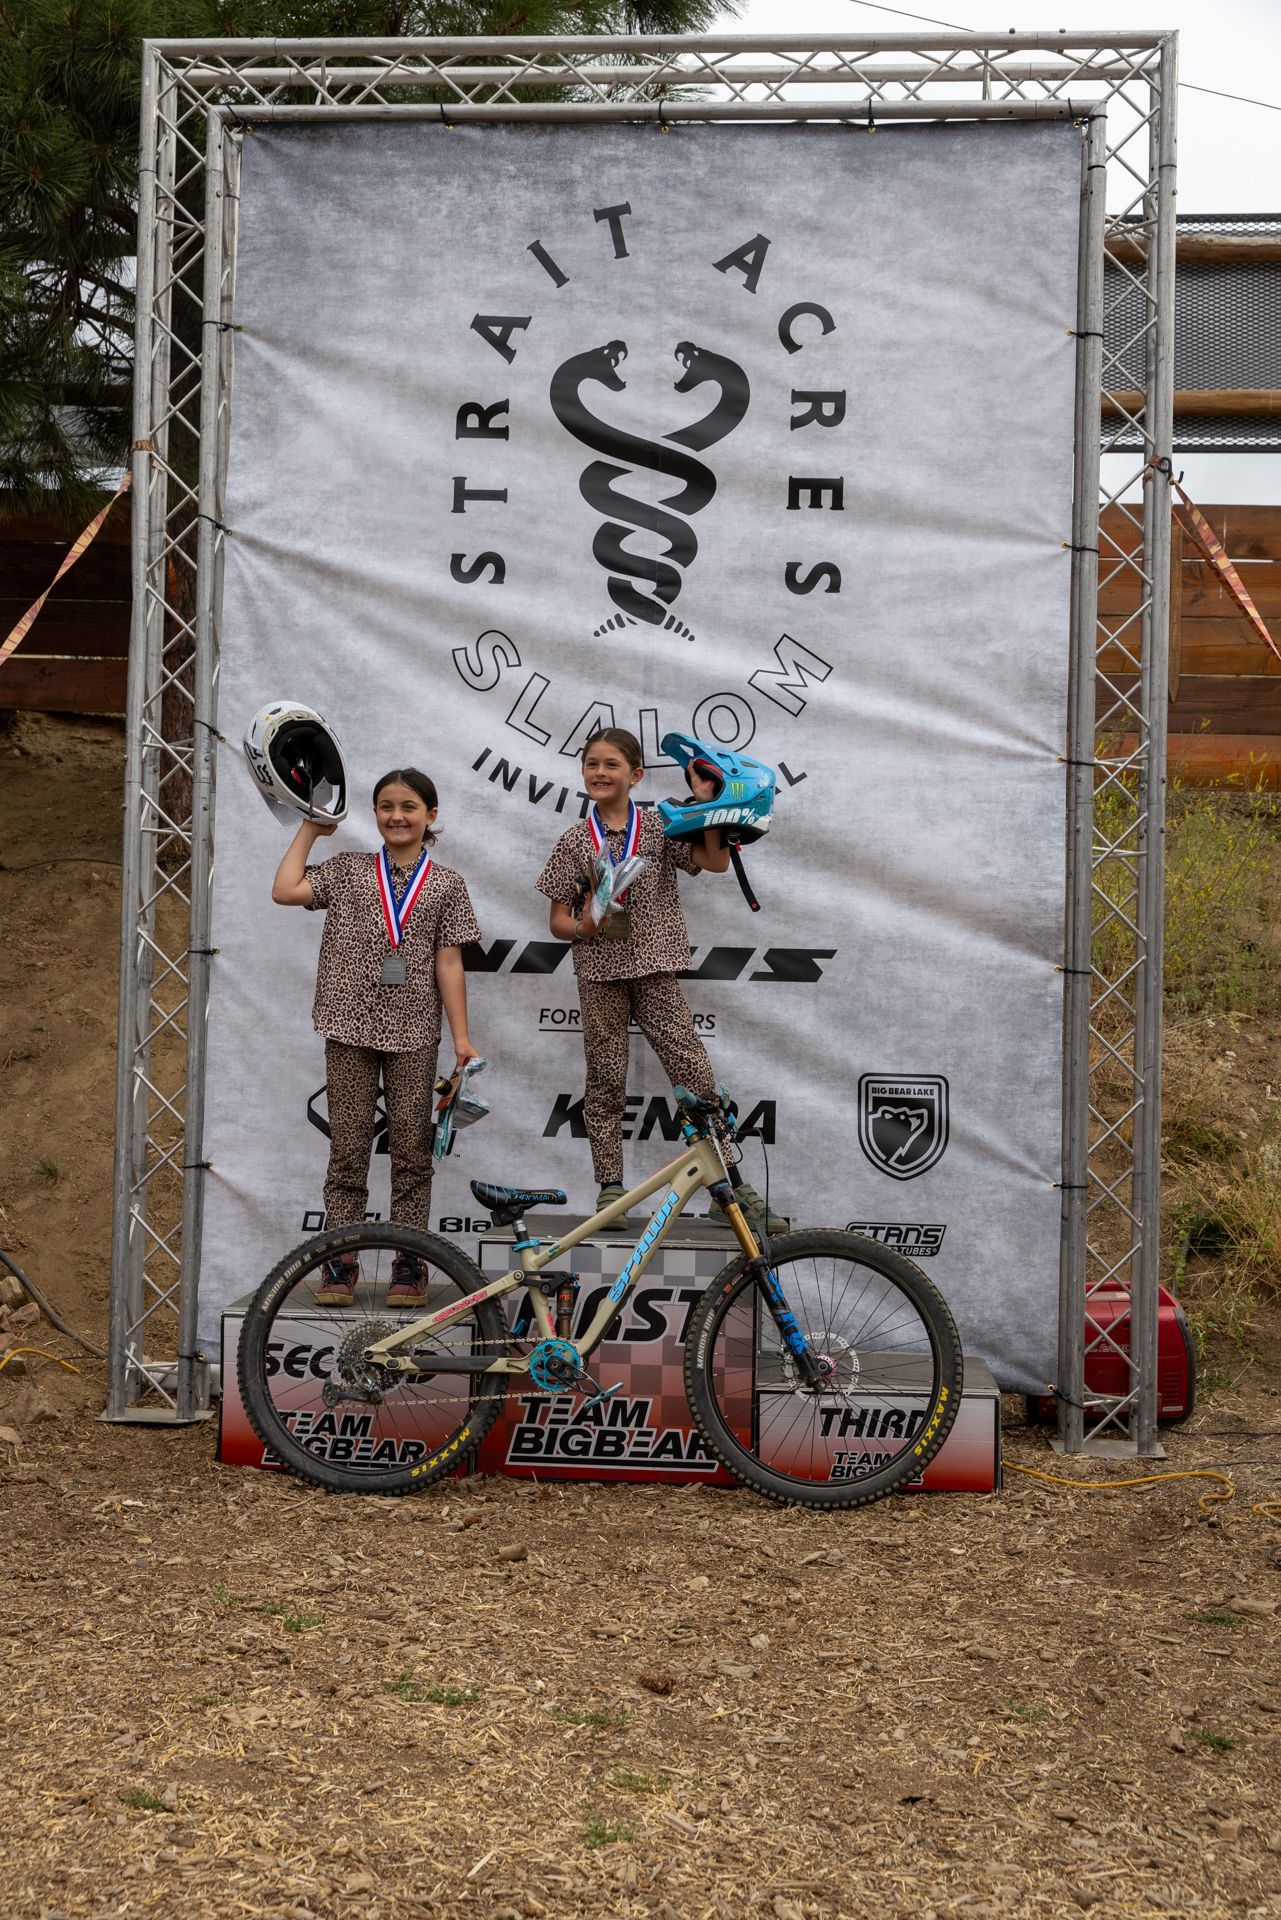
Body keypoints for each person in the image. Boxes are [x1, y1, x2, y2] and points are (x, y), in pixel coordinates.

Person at [536, 727, 785, 1231]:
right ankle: (610, 1188)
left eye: (611, 764)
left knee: (693, 1073)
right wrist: (585, 924)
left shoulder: (660, 826)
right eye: (592, 764)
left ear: (636, 774)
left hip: (656, 966)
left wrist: (709, 804)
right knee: (604, 1079)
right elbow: (557, 920)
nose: (600, 773)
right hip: (600, 972)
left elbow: (714, 862)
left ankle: (727, 1185)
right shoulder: (572, 840)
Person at [271, 767, 481, 1305]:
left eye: (409, 806)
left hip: (413, 1032)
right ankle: (339, 1262)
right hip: (347, 1024)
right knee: (348, 1150)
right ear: (374, 814)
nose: (397, 816)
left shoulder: (447, 884)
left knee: (412, 1150)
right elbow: (285, 890)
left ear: (430, 816)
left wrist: (461, 1038)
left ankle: (411, 1265)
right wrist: (312, 829)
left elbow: (450, 963)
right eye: (386, 806)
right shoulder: (349, 870)